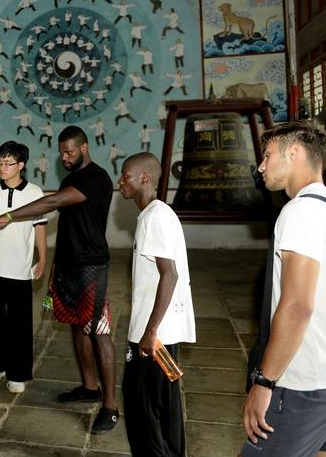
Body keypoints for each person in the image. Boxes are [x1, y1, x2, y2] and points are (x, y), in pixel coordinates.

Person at [241, 121, 326, 457]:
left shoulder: (299, 212)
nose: (262, 166)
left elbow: (298, 306)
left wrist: (264, 382)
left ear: (294, 153)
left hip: (308, 381)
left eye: (268, 155)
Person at [0, 126, 120, 434]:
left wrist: (7, 216)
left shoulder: (97, 178)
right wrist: (55, 265)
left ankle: (110, 406)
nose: (65, 157)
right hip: (69, 265)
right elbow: (69, 225)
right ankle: (89, 386)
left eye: (70, 151)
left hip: (91, 266)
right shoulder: (71, 177)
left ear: (84, 148)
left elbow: (52, 203)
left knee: (99, 331)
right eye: (61, 152)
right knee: (76, 326)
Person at [117, 153, 195, 457]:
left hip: (154, 336)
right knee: (162, 409)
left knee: (143, 411)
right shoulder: (152, 215)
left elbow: (169, 274)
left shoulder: (156, 217)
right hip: (157, 333)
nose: (121, 181)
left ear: (145, 178)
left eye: (126, 175)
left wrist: (151, 332)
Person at [0, 141, 48, 395]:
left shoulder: (35, 192)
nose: (2, 168)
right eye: (0, 162)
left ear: (21, 165)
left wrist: (43, 258)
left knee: (20, 323)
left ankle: (18, 373)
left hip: (20, 269)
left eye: (8, 163)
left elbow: (40, 228)